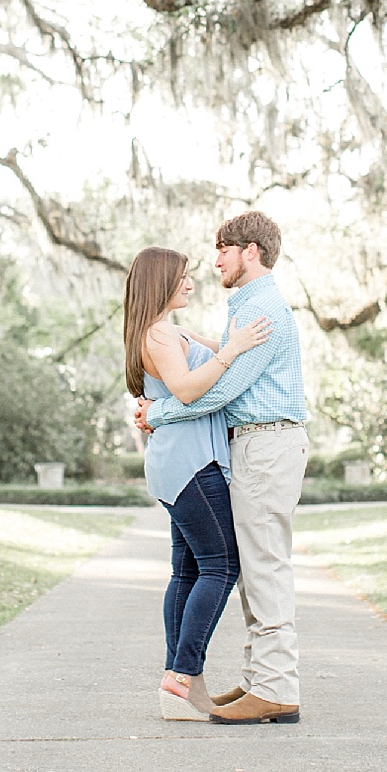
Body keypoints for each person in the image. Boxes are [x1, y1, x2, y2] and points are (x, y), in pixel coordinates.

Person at [136, 211, 308, 726]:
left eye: (223, 251)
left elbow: (221, 390)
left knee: (261, 565)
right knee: (246, 565)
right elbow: (209, 372)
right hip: (250, 446)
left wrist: (157, 412)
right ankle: (262, 683)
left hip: (267, 444)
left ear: (250, 251)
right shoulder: (243, 310)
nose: (215, 263)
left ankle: (275, 687)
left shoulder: (263, 313)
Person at [123, 246, 273, 721]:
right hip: (189, 464)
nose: (190, 283)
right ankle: (183, 676)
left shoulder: (173, 330)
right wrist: (232, 350)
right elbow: (188, 388)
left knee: (188, 572)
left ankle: (177, 683)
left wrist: (248, 331)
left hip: (182, 461)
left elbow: (228, 351)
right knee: (221, 565)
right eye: (183, 277)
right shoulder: (157, 335)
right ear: (161, 282)